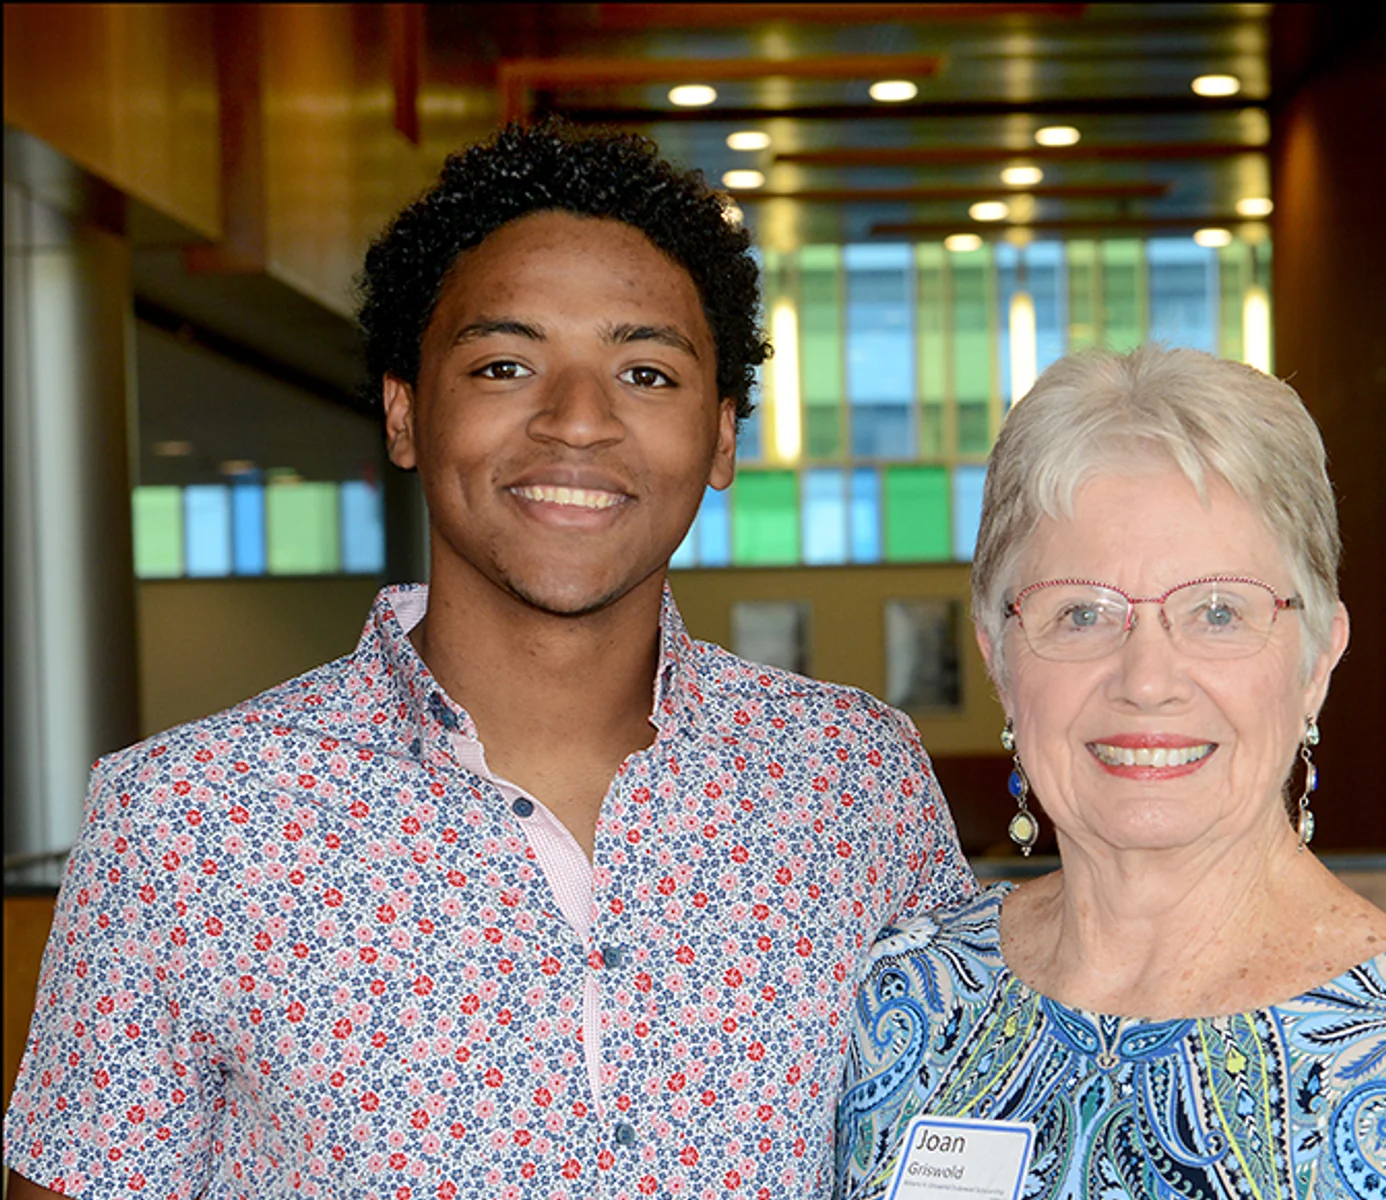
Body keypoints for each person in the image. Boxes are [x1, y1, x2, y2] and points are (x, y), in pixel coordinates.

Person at [5, 120, 974, 1199]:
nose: (577, 422)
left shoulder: (854, 778)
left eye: (646, 372)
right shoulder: (188, 821)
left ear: (721, 437)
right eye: (506, 365)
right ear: (405, 412)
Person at [836, 345, 1386, 1197]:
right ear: (998, 659)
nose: (1146, 680)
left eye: (1218, 612)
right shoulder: (910, 992)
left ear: (1316, 660)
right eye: (1081, 614)